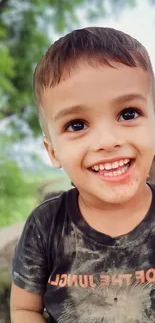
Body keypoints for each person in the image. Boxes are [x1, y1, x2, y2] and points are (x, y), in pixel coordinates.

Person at [10, 27, 155, 323]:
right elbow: (25, 308)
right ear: (52, 152)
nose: (106, 141)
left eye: (128, 113)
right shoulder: (45, 227)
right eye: (77, 125)